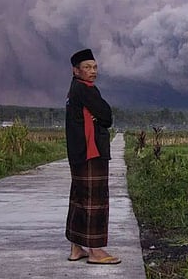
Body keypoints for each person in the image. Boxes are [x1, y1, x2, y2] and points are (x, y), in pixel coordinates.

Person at [65, 48, 121, 265]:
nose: (93, 71)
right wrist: (101, 119)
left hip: (79, 154)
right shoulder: (87, 90)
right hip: (91, 153)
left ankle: (76, 248)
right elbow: (107, 116)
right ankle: (96, 251)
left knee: (79, 199)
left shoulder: (73, 90)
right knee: (94, 201)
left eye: (95, 67)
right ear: (75, 70)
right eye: (87, 67)